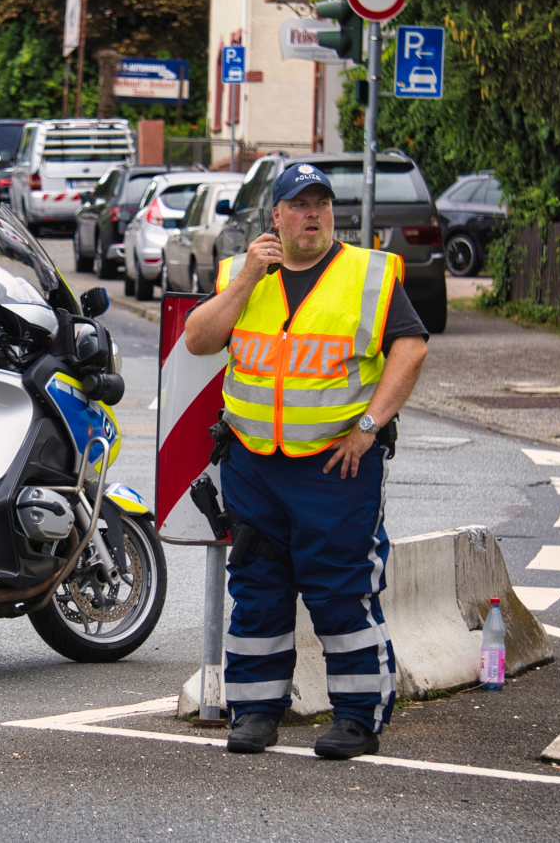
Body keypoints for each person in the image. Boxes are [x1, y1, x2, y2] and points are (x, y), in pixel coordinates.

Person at [183, 163, 428, 760]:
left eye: (321, 203)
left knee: (341, 591)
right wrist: (243, 280)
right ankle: (255, 714)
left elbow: (412, 346)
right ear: (277, 216)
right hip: (255, 468)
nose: (312, 214)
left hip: (335, 471)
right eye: (299, 204)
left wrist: (369, 427)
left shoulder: (367, 275)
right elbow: (198, 339)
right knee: (258, 588)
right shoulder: (245, 275)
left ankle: (357, 719)